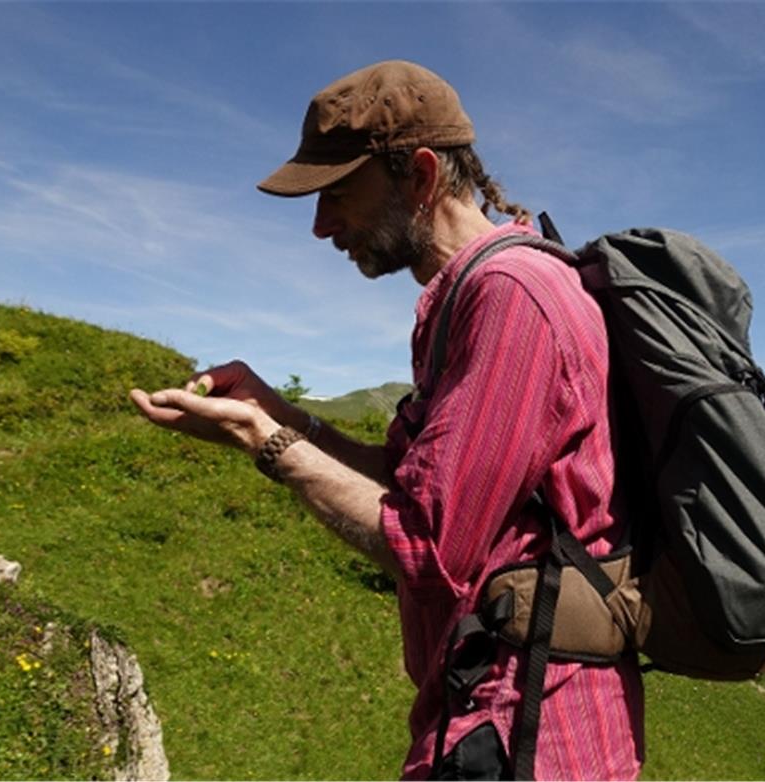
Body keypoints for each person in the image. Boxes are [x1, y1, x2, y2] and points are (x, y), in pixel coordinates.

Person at [130, 59, 644, 780]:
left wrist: (261, 440)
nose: (319, 225)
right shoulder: (468, 296)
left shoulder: (511, 298)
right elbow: (420, 485)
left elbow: (429, 547)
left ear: (422, 176)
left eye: (338, 193)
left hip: (526, 731)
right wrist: (279, 414)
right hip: (491, 708)